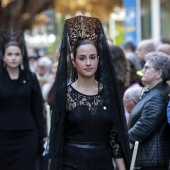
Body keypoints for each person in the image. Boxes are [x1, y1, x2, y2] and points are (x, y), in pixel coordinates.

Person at [46, 16, 131, 170]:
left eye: (92, 57)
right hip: (70, 164)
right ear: (73, 62)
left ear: (99, 59)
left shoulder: (109, 94)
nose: (88, 63)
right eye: (82, 58)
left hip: (102, 163)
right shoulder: (64, 94)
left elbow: (115, 138)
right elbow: (57, 137)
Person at [0, 29, 47, 170]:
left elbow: (37, 108)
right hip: (3, 136)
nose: (13, 58)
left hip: (27, 137)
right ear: (4, 57)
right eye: (9, 54)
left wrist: (43, 136)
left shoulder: (31, 78)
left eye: (17, 54)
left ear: (22, 57)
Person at [128, 51, 170, 170]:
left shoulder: (158, 95)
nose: (142, 71)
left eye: (146, 68)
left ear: (159, 73)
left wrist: (124, 140)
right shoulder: (154, 92)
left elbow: (145, 124)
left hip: (151, 161)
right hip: (148, 159)